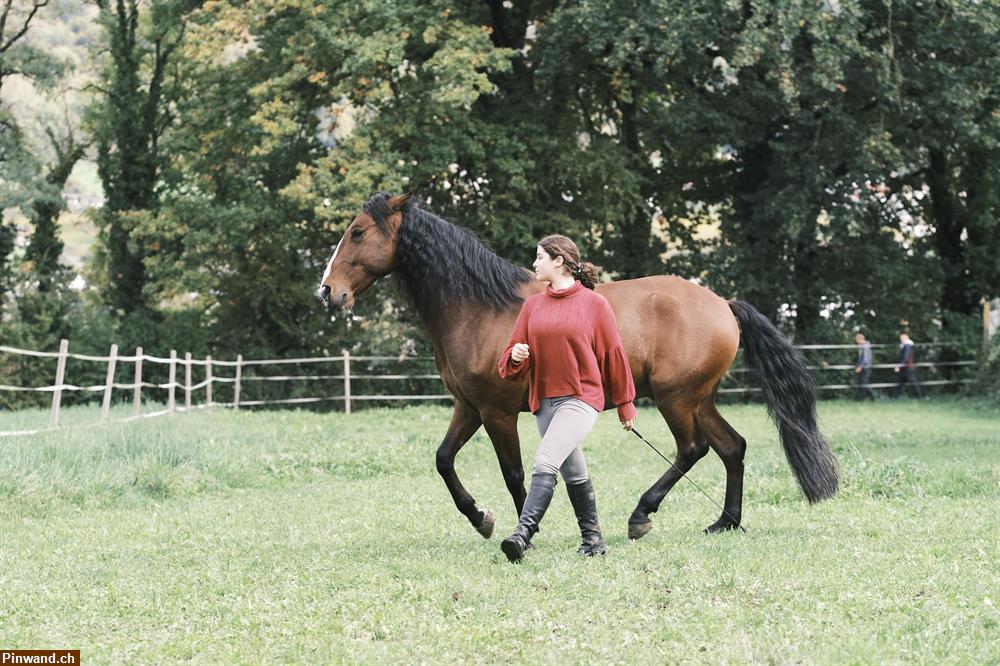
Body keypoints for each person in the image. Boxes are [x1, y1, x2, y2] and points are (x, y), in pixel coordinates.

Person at [497, 234, 636, 563]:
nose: (534, 264)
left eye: (540, 257)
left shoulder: (594, 304)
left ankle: (522, 534)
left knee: (545, 461)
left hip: (581, 398)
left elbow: (613, 355)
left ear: (558, 261)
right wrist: (516, 355)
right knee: (573, 471)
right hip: (545, 402)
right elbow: (510, 362)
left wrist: (625, 403)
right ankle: (593, 540)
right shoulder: (532, 306)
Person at [892, 332, 923, 398]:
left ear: (906, 338)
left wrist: (899, 366)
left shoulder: (907, 346)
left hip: (907, 368)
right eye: (900, 338)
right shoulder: (905, 346)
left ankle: (919, 397)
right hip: (905, 368)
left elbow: (906, 358)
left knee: (912, 384)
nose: (901, 339)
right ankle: (894, 397)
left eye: (902, 338)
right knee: (898, 383)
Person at [854, 333, 875, 400]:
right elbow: (860, 358)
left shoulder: (866, 346)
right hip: (862, 367)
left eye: (857, 341)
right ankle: (861, 398)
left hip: (866, 367)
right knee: (861, 382)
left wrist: (860, 367)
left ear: (860, 339)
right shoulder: (861, 346)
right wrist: (857, 366)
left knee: (864, 383)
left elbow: (865, 359)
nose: (856, 342)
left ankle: (868, 397)